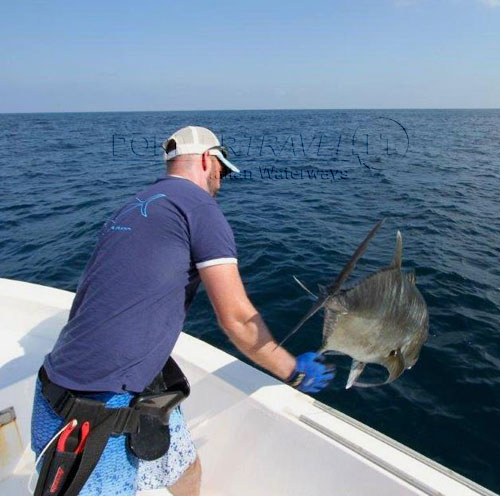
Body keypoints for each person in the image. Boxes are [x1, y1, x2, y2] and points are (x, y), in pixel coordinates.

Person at [31, 126, 335, 496]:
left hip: (73, 389)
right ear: (208, 160)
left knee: (185, 469)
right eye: (221, 170)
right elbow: (236, 318)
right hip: (93, 413)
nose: (221, 181)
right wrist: (292, 371)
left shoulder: (134, 204)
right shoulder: (201, 208)